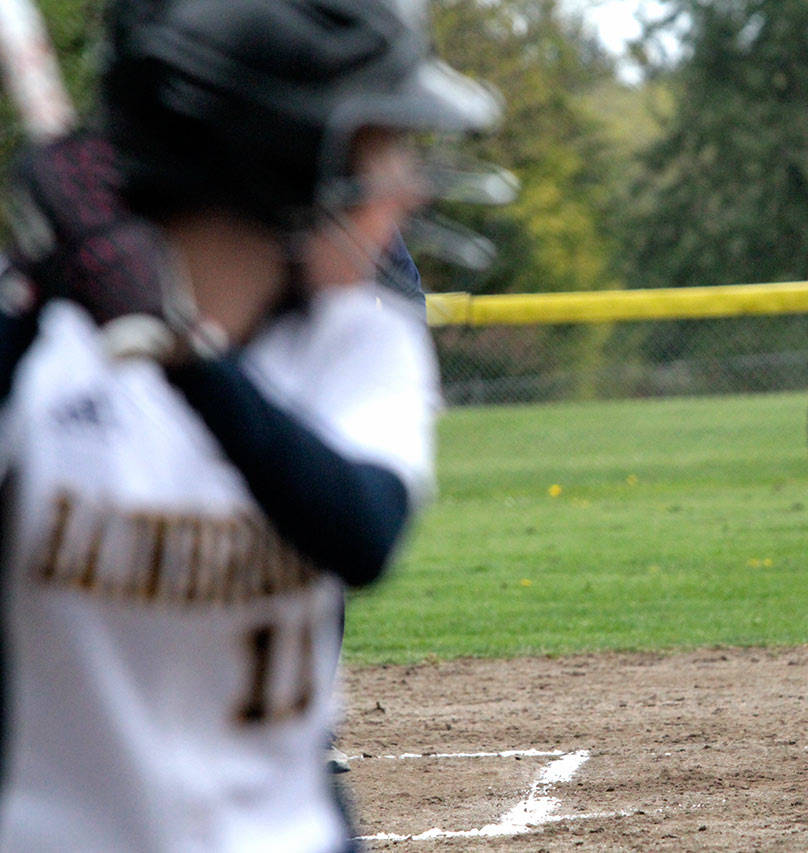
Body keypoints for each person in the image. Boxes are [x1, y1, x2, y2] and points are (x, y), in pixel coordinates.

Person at [0, 0, 503, 849]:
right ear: (276, 164)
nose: (405, 191)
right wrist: (34, 302)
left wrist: (186, 355)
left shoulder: (361, 340)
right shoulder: (43, 341)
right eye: (378, 151)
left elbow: (359, 530)